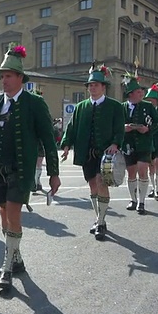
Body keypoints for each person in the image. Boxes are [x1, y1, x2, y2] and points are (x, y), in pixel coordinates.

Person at [0, 44, 60, 289]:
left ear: (19, 78)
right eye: (2, 76)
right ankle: (17, 257)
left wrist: (53, 173)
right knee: (4, 217)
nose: (4, 80)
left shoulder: (34, 103)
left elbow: (48, 138)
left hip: (21, 171)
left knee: (14, 214)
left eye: (8, 76)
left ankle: (6, 267)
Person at [61, 63, 124, 241]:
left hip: (105, 155)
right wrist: (66, 145)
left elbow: (119, 129)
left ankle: (101, 221)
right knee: (93, 186)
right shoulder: (81, 107)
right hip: (86, 153)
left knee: (101, 183)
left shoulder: (115, 107)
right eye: (90, 85)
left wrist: (115, 143)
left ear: (103, 87)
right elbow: (71, 128)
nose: (92, 88)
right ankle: (98, 218)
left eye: (96, 85)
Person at [121, 72, 158, 215]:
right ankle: (133, 199)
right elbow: (114, 125)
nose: (141, 93)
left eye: (141, 91)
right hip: (128, 145)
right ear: (131, 94)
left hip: (144, 144)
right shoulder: (122, 107)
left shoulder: (148, 106)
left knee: (142, 170)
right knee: (131, 173)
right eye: (139, 91)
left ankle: (142, 202)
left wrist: (148, 129)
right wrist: (123, 128)